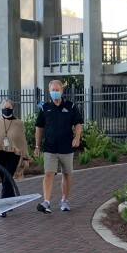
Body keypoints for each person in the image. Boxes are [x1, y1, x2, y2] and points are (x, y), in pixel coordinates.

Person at [34, 79, 83, 213]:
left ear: (62, 91)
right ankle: (47, 202)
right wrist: (37, 146)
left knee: (67, 174)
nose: (55, 92)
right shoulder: (45, 108)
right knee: (48, 173)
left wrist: (77, 137)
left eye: (57, 90)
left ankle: (64, 200)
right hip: (50, 147)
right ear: (49, 92)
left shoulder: (71, 106)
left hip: (66, 147)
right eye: (53, 90)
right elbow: (39, 127)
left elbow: (78, 123)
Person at [0, 99, 31, 216]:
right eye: (5, 107)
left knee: (8, 177)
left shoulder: (19, 123)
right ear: (1, 108)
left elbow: (22, 142)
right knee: (5, 179)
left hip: (13, 155)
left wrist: (25, 157)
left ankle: (2, 207)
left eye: (9, 108)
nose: (7, 110)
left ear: (13, 109)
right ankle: (10, 201)